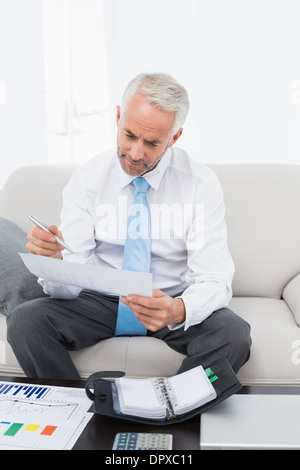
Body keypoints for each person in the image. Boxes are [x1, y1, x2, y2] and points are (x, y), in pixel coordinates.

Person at [7, 73, 251, 379]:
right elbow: (67, 286)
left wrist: (178, 309)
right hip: (100, 301)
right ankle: (79, 413)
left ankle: (171, 407)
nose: (136, 153)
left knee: (234, 335)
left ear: (174, 138)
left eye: (152, 143)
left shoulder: (200, 183)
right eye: (130, 135)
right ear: (119, 117)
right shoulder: (88, 179)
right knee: (26, 321)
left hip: (168, 300)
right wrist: (54, 262)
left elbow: (214, 279)